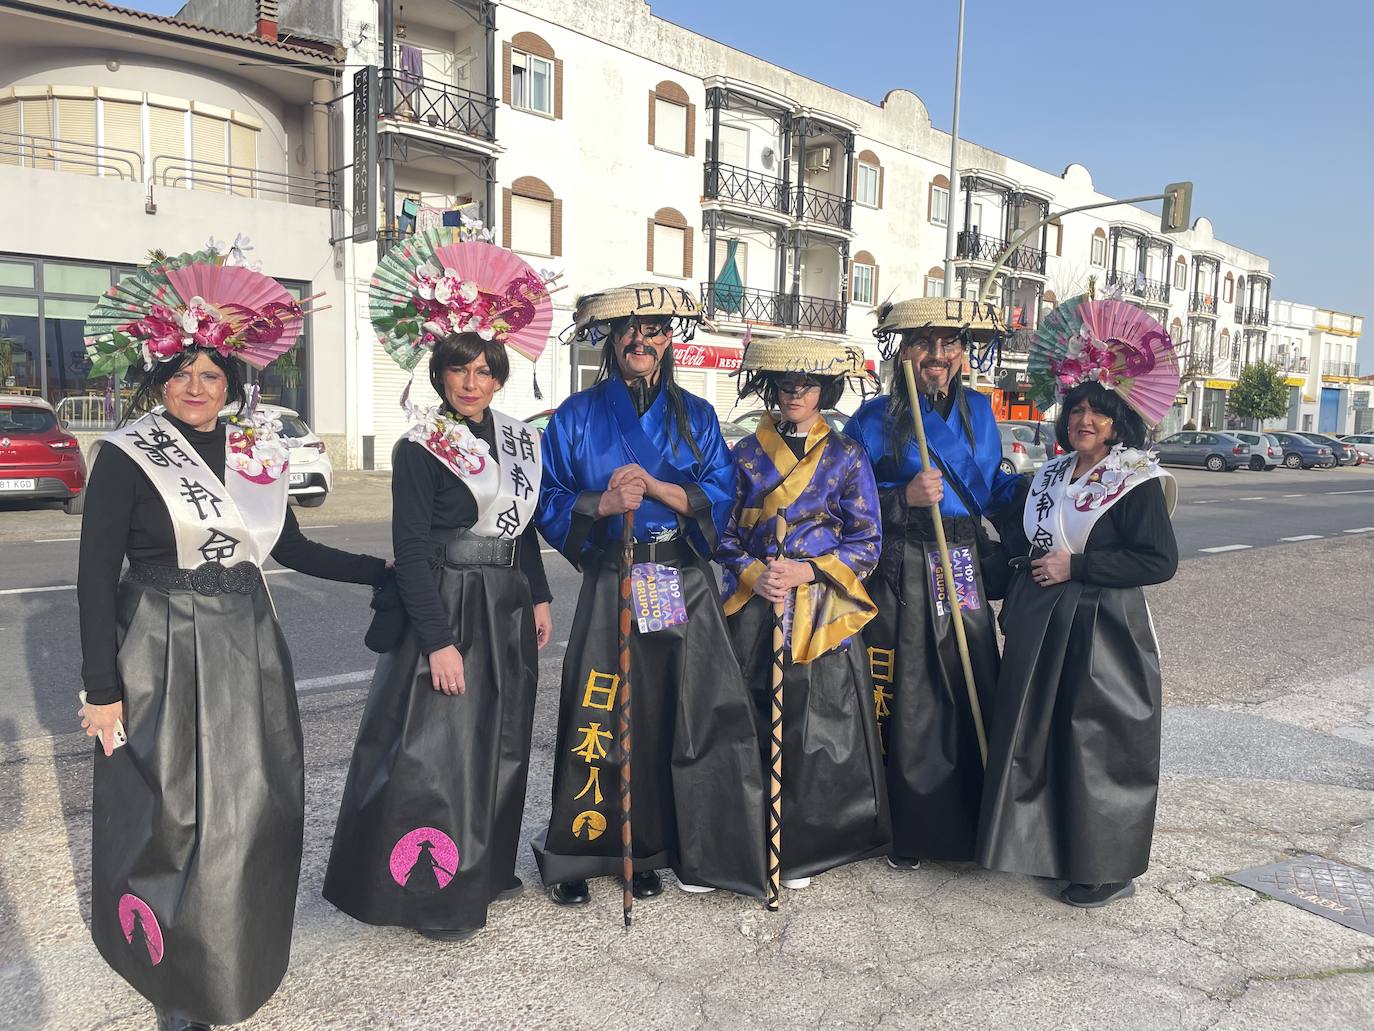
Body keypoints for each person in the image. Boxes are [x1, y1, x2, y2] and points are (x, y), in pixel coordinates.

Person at [78, 250, 387, 1031]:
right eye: (181, 371)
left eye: (211, 374)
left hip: (246, 648)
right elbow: (94, 577)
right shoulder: (128, 454)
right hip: (158, 648)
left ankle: (233, 951)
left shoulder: (254, 452)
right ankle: (175, 979)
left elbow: (290, 548)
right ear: (159, 378)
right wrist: (101, 689)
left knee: (250, 807)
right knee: (170, 813)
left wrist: (376, 571)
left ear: (233, 384)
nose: (196, 385)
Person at [533, 283, 766, 905]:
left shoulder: (697, 416)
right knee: (598, 706)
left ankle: (648, 844)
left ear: (669, 340)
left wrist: (660, 490)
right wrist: (603, 503)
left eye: (655, 330)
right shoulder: (576, 415)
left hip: (678, 577)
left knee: (669, 709)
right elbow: (548, 496)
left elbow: (722, 493)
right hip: (614, 572)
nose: (641, 341)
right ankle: (582, 848)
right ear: (612, 340)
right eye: (629, 330)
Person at [323, 331, 553, 942]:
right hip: (448, 600)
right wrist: (437, 641)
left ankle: (487, 868)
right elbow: (410, 548)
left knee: (501, 738)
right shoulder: (419, 447)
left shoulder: (517, 440)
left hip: (505, 601)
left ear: (499, 378)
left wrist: (539, 594)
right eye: (459, 370)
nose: (472, 383)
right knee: (436, 750)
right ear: (440, 376)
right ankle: (432, 891)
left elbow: (522, 528)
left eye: (484, 371)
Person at [978, 300, 1180, 909]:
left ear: (1119, 421)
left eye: (1099, 411)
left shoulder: (1136, 479)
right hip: (1040, 622)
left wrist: (1080, 566)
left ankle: (1105, 866)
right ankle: (1042, 846)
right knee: (1038, 736)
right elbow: (1021, 548)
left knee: (1098, 742)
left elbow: (1157, 561)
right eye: (1076, 409)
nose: (1085, 419)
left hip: (1104, 629)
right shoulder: (1049, 476)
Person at [843, 298, 1020, 870]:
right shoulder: (873, 418)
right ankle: (909, 824)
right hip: (903, 563)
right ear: (904, 352)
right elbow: (842, 497)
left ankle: (977, 816)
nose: (937, 355)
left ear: (964, 353)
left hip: (961, 561)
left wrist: (1054, 493)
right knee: (910, 691)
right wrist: (901, 497)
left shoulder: (980, 411)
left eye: (950, 343)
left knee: (969, 677)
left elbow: (994, 487)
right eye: (924, 343)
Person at [716, 336, 889, 891]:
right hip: (755, 605)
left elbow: (867, 541)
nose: (795, 394)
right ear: (772, 388)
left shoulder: (847, 456)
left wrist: (808, 572)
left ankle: (802, 843)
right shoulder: (744, 454)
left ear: (825, 393)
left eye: (808, 385)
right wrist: (755, 573)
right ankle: (744, 838)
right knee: (745, 718)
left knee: (815, 727)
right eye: (786, 384)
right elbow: (721, 535)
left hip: (819, 608)